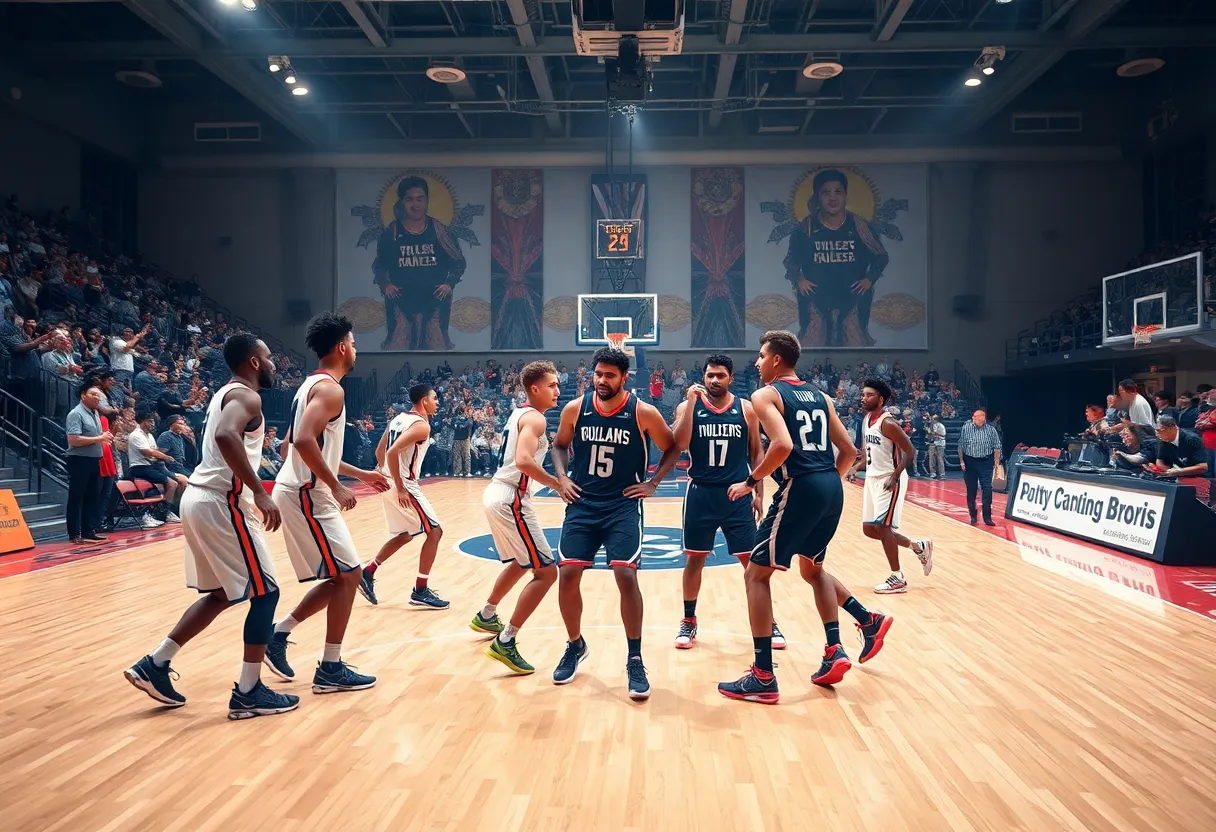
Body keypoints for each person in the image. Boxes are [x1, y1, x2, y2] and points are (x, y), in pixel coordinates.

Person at [123, 334, 299, 719]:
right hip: (222, 502)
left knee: (221, 593)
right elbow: (224, 435)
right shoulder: (247, 397)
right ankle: (249, 692)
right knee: (266, 594)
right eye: (269, 357)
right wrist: (261, 492)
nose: (273, 364)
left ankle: (154, 663)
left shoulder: (226, 393)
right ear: (254, 361)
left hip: (200, 499)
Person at [718, 331, 890, 704]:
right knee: (813, 570)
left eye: (762, 356)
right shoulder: (821, 396)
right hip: (830, 485)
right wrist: (830, 481)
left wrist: (751, 482)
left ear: (777, 359)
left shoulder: (766, 395)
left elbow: (782, 445)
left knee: (755, 574)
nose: (758, 362)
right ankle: (854, 632)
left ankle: (763, 675)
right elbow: (849, 450)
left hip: (803, 486)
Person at [263, 313, 388, 694]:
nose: (355, 349)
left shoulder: (309, 386)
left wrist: (361, 475)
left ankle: (279, 634)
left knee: (344, 575)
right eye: (353, 342)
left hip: (303, 488)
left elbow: (291, 445)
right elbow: (301, 441)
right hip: (307, 492)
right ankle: (329, 667)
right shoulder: (331, 389)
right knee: (349, 575)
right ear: (341, 347)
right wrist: (335, 485)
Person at [549, 347, 680, 700]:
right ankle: (575, 644)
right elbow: (559, 446)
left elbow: (672, 447)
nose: (602, 380)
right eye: (598, 374)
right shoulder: (576, 408)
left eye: (610, 375)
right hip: (583, 503)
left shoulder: (643, 412)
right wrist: (561, 477)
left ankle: (634, 658)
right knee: (569, 573)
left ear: (624, 378)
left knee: (625, 574)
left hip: (622, 505)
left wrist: (653, 482)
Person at [670, 354, 780, 649]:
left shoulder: (746, 410)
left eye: (720, 375)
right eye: (709, 375)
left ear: (731, 377)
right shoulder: (687, 406)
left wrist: (758, 492)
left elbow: (757, 453)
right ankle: (689, 620)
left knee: (751, 563)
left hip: (737, 494)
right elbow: (678, 444)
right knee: (694, 559)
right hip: (701, 493)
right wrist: (690, 405)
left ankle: (769, 621)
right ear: (703, 377)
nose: (714, 380)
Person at [471, 361, 572, 675]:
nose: (558, 390)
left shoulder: (519, 413)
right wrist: (557, 484)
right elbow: (524, 460)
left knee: (521, 560)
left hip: (498, 493)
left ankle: (487, 614)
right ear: (535, 388)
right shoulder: (536, 420)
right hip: (511, 497)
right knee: (547, 573)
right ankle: (507, 640)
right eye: (552, 385)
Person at [358, 383, 447, 609]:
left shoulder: (397, 419)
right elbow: (391, 452)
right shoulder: (421, 426)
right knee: (435, 531)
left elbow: (380, 452)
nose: (437, 402)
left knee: (405, 534)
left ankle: (368, 572)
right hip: (403, 483)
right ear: (424, 401)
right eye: (434, 398)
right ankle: (420, 590)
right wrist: (399, 486)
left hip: (387, 478)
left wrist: (384, 474)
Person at [783, 170, 889, 347]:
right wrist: (800, 279)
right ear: (818, 196)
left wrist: (869, 279)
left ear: (846, 195)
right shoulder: (806, 228)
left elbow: (881, 256)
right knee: (812, 341)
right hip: (815, 297)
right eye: (826, 192)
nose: (832, 198)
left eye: (838, 192)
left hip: (852, 297)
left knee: (853, 339)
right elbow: (790, 260)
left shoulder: (859, 226)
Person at [847, 379, 933, 594]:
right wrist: (855, 466)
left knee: (883, 527)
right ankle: (918, 546)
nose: (863, 397)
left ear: (881, 399)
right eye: (863, 394)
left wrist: (895, 476)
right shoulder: (867, 419)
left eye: (869, 395)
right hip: (872, 478)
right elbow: (867, 450)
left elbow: (910, 451)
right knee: (869, 529)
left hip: (889, 479)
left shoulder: (888, 423)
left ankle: (898, 578)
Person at [374, 177, 466, 350]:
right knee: (399, 345)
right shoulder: (391, 233)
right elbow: (379, 265)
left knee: (435, 345)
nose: (415, 206)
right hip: (401, 300)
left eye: (420, 199)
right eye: (409, 200)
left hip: (435, 301)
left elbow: (458, 262)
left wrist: (449, 284)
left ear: (427, 201)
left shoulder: (440, 232)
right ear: (401, 202)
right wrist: (385, 284)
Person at [65, 385, 112, 544]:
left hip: (93, 460)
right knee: (77, 497)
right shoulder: (76, 414)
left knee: (92, 496)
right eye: (93, 394)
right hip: (79, 460)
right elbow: (73, 440)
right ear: (83, 396)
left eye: (99, 395)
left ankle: (88, 530)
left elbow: (98, 436)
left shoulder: (95, 413)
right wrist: (99, 438)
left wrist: (103, 438)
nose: (97, 398)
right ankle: (74, 533)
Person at [127, 410, 185, 522]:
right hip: (139, 468)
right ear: (143, 422)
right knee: (171, 484)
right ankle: (162, 513)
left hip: (151, 466)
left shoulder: (149, 436)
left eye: (153, 421)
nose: (152, 424)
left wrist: (158, 456)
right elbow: (149, 452)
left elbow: (154, 452)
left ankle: (165, 511)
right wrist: (165, 457)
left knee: (175, 483)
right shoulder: (136, 435)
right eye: (150, 421)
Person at [958, 409, 1002, 526]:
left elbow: (997, 447)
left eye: (977, 417)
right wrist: (962, 461)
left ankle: (987, 517)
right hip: (970, 461)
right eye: (973, 417)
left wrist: (996, 465)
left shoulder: (991, 430)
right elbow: (961, 445)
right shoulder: (966, 428)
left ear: (983, 418)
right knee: (971, 490)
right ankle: (973, 515)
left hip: (985, 462)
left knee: (987, 489)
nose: (974, 419)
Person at [926, 413, 947, 479]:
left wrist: (933, 433)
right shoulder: (931, 425)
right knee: (932, 459)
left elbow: (943, 435)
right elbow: (929, 435)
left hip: (940, 444)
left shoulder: (941, 426)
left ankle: (942, 474)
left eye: (933, 419)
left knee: (940, 459)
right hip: (932, 443)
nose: (932, 420)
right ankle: (933, 473)